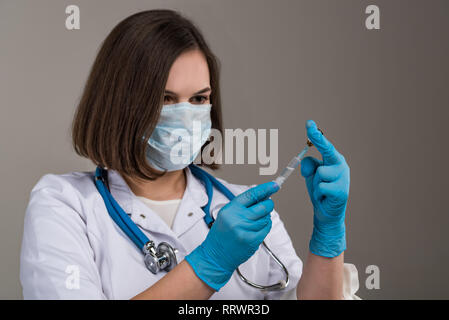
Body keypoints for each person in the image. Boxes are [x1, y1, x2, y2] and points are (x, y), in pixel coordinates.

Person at [19, 9, 351, 300]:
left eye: (198, 99)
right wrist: (211, 264)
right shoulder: (64, 204)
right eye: (164, 98)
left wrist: (327, 236)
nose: (184, 115)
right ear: (117, 102)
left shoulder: (241, 209)